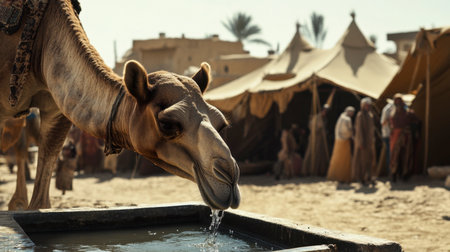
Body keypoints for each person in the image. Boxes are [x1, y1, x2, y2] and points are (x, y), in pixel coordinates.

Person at [389, 94, 414, 181]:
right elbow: (391, 124)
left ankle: (404, 174)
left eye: (399, 101)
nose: (398, 103)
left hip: (406, 135)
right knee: (395, 156)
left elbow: (413, 119)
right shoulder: (392, 112)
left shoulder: (407, 111)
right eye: (396, 101)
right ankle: (394, 174)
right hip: (396, 136)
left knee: (405, 155)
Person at [327, 106, 355, 183]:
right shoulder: (347, 119)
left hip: (338, 140)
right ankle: (344, 177)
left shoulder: (341, 117)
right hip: (344, 141)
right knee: (344, 160)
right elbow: (348, 130)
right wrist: (351, 135)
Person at [352, 98, 376, 184]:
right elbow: (359, 131)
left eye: (369, 105)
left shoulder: (370, 115)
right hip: (363, 143)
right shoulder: (360, 115)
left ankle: (369, 177)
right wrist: (361, 142)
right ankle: (362, 178)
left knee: (370, 161)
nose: (368, 107)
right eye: (366, 105)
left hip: (369, 143)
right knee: (362, 161)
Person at [303, 105, 330, 176]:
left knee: (320, 154)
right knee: (311, 153)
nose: (325, 112)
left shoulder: (324, 118)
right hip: (315, 138)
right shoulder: (316, 118)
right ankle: (307, 170)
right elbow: (312, 127)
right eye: (325, 111)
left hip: (321, 139)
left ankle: (319, 170)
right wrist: (319, 129)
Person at [379, 100, 393, 176]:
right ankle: (389, 171)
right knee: (389, 154)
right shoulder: (387, 109)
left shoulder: (391, 108)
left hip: (390, 134)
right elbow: (383, 122)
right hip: (387, 134)